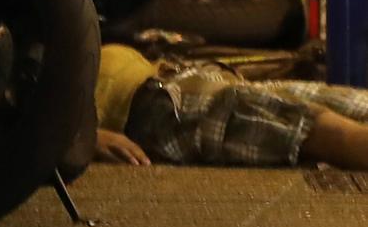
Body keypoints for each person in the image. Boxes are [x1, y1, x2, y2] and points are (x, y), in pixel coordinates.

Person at [95, 43, 368, 172]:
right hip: (156, 109)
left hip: (180, 78)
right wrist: (86, 136)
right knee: (312, 128)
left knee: (346, 102)